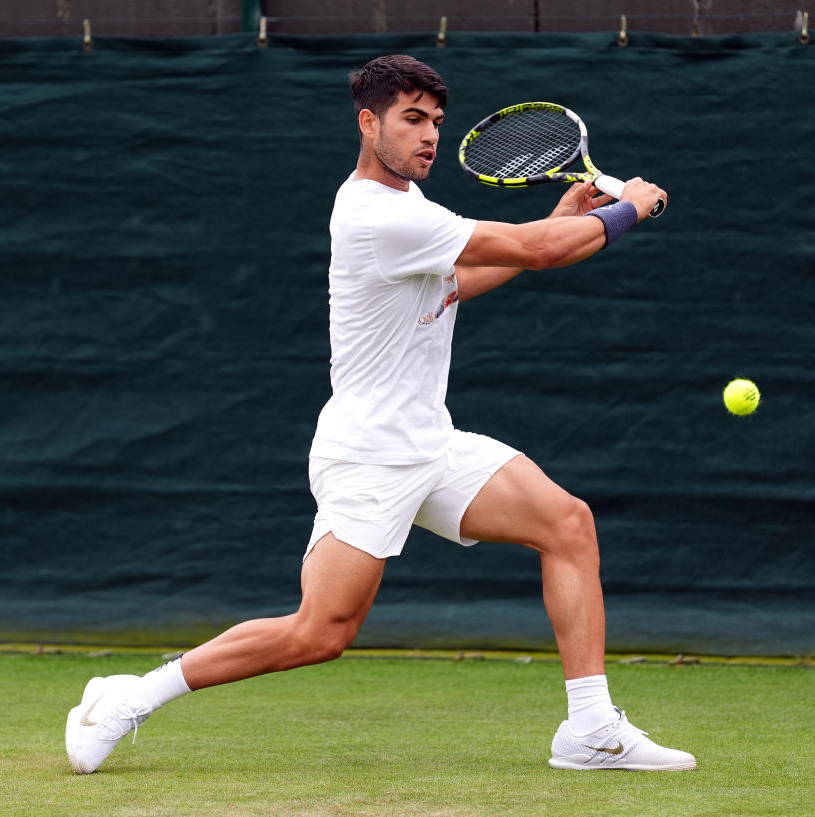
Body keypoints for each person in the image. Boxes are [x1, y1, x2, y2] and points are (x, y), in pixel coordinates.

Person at [65, 54, 695, 774]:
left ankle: (589, 728)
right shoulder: (376, 214)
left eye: (435, 123)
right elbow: (537, 251)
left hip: (430, 441)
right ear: (369, 123)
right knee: (320, 632)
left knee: (568, 523)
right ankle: (129, 695)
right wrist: (629, 209)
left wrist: (556, 223)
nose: (429, 136)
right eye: (412, 119)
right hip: (368, 454)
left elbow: (460, 283)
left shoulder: (414, 212)